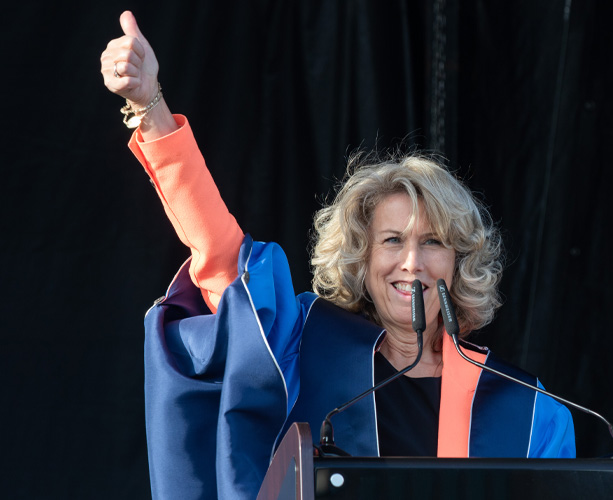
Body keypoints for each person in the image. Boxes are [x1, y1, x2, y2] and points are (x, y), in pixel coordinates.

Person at [101, 10, 575, 500]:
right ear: (360, 260)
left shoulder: (528, 409)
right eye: (392, 240)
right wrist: (150, 109)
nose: (412, 262)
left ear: (459, 263)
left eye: (433, 242)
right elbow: (222, 254)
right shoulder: (303, 346)